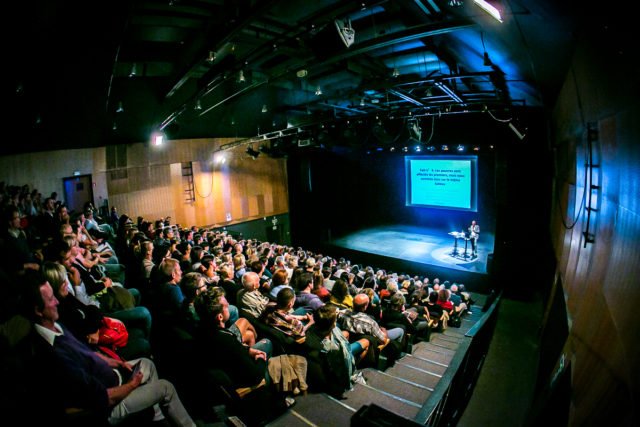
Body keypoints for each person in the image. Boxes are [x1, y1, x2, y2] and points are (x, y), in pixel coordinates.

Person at [21, 269, 196, 426]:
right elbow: (104, 398)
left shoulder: (57, 325)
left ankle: (157, 419)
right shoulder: (52, 355)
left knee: (146, 364)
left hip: (115, 379)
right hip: (109, 406)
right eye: (51, 299)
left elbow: (91, 355)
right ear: (37, 310)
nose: (57, 302)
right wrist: (133, 385)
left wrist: (118, 364)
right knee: (166, 387)